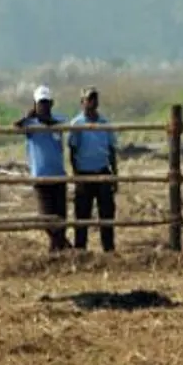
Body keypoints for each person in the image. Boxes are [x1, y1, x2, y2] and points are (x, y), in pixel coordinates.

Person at [14, 85, 71, 253]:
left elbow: (63, 124)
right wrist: (27, 116)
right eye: (40, 103)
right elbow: (15, 127)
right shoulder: (30, 125)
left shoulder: (59, 120)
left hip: (59, 175)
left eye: (46, 103)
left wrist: (48, 123)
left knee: (61, 216)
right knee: (46, 216)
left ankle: (57, 248)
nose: (43, 107)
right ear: (35, 105)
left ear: (51, 104)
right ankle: (62, 245)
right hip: (40, 177)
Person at [68, 86, 119, 252]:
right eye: (89, 99)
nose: (92, 102)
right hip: (84, 174)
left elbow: (111, 150)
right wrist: (76, 176)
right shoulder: (76, 124)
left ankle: (109, 250)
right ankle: (80, 250)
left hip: (103, 172)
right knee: (82, 215)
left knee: (107, 214)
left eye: (95, 98)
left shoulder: (105, 123)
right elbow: (73, 151)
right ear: (82, 102)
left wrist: (115, 175)